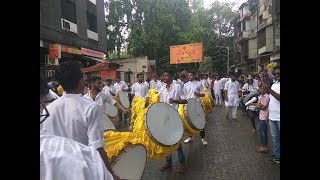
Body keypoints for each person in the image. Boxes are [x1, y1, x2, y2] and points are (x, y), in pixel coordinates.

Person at [42, 61, 119, 179]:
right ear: (81, 81)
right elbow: (97, 147)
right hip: (83, 171)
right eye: (83, 77)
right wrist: (111, 174)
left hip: (56, 171)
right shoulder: (91, 108)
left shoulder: (48, 109)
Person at [158, 70, 187, 174]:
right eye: (163, 75)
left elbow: (185, 100)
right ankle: (168, 162)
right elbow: (161, 105)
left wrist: (175, 101)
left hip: (175, 118)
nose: (164, 77)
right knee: (166, 141)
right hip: (165, 119)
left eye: (166, 75)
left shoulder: (178, 87)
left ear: (171, 76)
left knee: (177, 141)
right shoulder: (161, 89)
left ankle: (182, 163)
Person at [183, 72, 208, 146]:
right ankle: (190, 137)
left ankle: (203, 138)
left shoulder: (199, 83)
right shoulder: (185, 85)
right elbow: (184, 96)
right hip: (188, 105)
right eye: (188, 75)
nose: (189, 76)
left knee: (200, 122)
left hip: (197, 104)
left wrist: (198, 94)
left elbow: (203, 94)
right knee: (189, 122)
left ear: (194, 76)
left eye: (190, 75)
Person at [265, 67, 280, 164]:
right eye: (275, 74)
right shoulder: (274, 84)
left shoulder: (272, 87)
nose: (277, 75)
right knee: (275, 138)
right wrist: (268, 113)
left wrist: (269, 90)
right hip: (272, 117)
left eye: (279, 73)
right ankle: (277, 156)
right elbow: (271, 100)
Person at [255, 83, 270, 153]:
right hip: (261, 116)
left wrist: (259, 106)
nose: (260, 90)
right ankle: (264, 145)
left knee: (261, 132)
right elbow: (258, 105)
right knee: (262, 131)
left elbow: (263, 107)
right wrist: (259, 105)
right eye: (260, 88)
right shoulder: (261, 96)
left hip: (264, 117)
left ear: (265, 89)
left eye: (261, 89)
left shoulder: (266, 97)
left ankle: (263, 146)